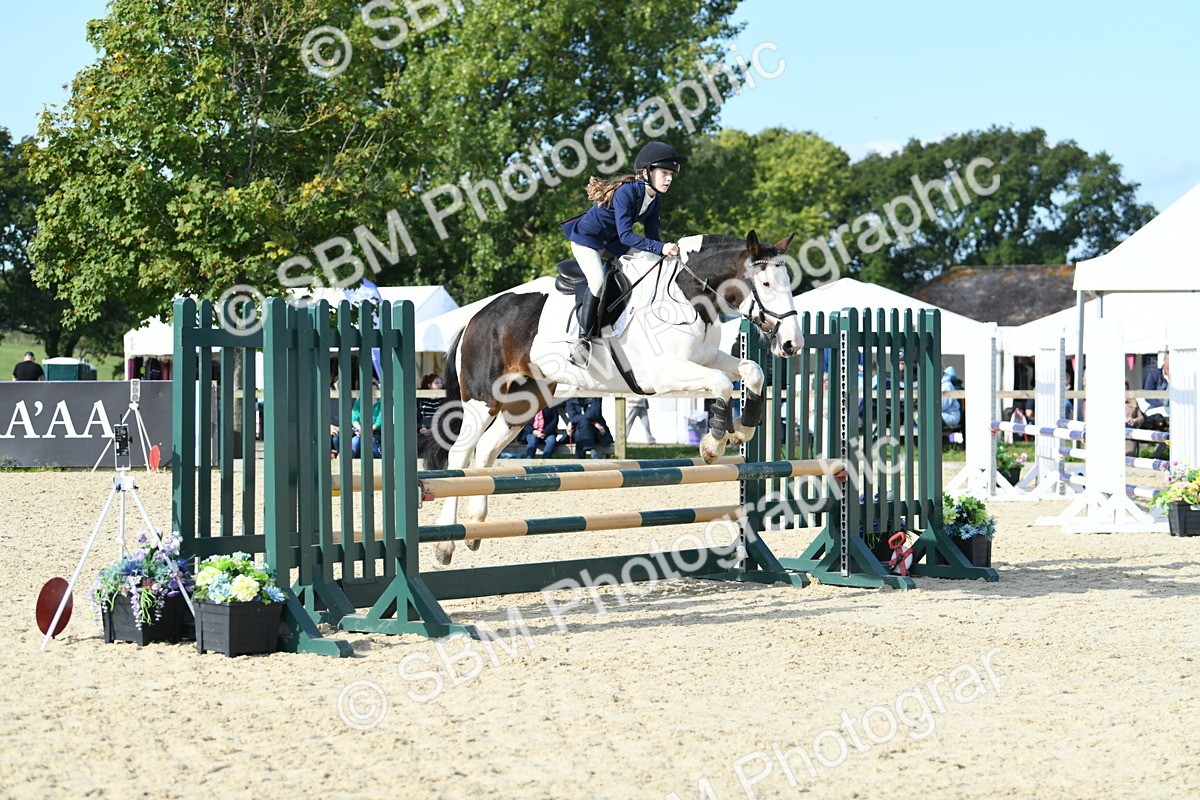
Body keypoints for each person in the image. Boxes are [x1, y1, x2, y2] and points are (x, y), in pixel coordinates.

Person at [560, 140, 686, 367]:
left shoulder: (654, 200)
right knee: (598, 281)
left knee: (649, 262)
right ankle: (582, 340)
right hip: (587, 240)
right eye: (664, 173)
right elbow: (628, 236)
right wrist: (661, 248)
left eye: (671, 175)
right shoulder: (626, 192)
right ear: (647, 172)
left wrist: (663, 253)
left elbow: (653, 239)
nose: (669, 179)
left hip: (613, 241)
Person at [351, 384, 383, 459]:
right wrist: (360, 428)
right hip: (359, 431)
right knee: (355, 442)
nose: (372, 393)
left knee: (371, 442)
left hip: (375, 431)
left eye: (374, 391)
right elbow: (354, 418)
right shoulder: (359, 402)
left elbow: (379, 421)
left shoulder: (381, 402)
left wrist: (367, 431)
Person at [417, 374, 445, 446]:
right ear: (429, 385)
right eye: (437, 383)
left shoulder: (444, 399)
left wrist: (436, 428)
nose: (440, 385)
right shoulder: (420, 399)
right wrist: (419, 428)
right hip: (423, 429)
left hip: (438, 430)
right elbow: (415, 416)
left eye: (441, 383)